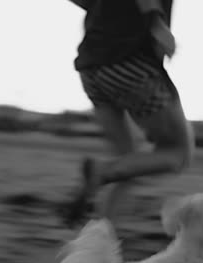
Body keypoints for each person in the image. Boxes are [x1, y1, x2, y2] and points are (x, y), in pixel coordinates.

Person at [63, 0, 195, 228]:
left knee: (128, 163)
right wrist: (156, 22)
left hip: (91, 68)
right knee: (178, 152)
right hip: (129, 63)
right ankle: (101, 171)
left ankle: (99, 240)